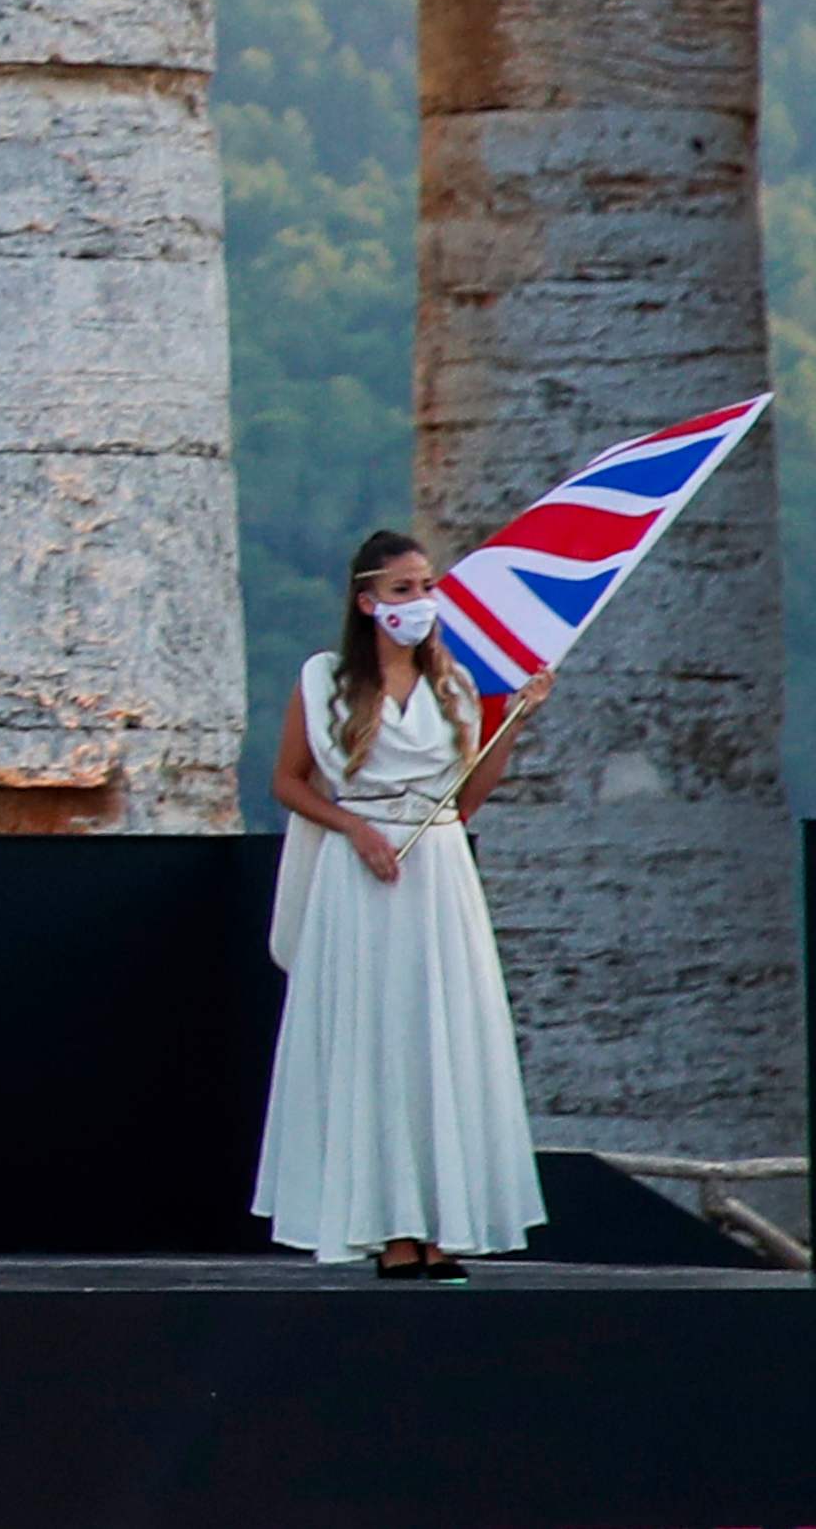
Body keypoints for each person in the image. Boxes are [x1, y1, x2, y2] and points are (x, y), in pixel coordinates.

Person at [256, 528, 551, 1277]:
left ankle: (442, 1224)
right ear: (366, 601)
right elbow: (287, 781)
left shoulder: (452, 685)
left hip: (437, 872)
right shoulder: (324, 679)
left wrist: (511, 724)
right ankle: (387, 1228)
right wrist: (353, 828)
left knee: (439, 1033)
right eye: (401, 589)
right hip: (361, 876)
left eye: (425, 587)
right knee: (375, 1035)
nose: (418, 602)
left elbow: (465, 798)